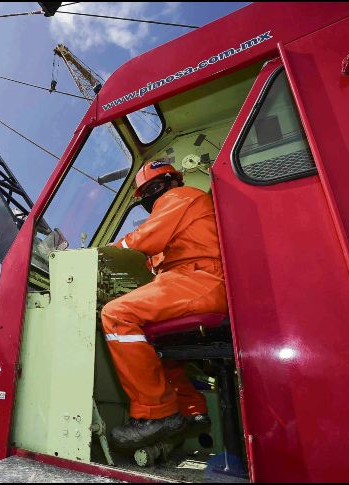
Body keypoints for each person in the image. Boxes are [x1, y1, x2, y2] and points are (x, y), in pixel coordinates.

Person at [102, 159, 228, 449]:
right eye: (147, 192)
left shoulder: (180, 197)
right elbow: (156, 259)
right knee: (151, 344)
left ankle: (155, 414)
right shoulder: (186, 212)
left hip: (201, 280)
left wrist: (100, 253)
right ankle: (192, 411)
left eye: (156, 187)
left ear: (174, 182)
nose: (153, 196)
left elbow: (142, 240)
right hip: (193, 278)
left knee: (117, 314)